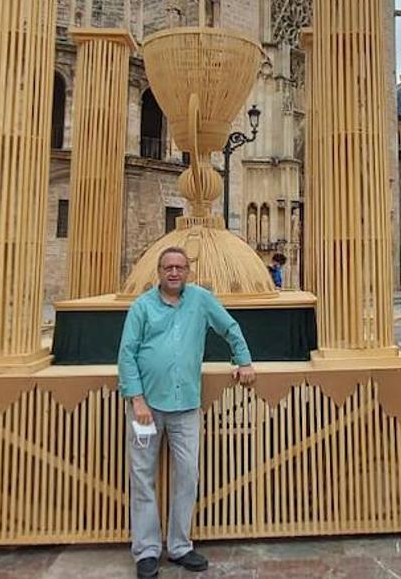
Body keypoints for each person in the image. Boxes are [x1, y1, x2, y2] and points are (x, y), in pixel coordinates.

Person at [118, 246, 255, 578]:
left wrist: (244, 360)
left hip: (186, 408)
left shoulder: (200, 301)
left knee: (188, 475)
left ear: (188, 272)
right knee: (142, 477)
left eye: (180, 267)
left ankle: (180, 546)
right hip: (146, 409)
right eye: (168, 267)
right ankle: (147, 551)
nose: (174, 272)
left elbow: (230, 328)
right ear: (159, 272)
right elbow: (127, 353)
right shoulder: (142, 307)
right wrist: (136, 398)